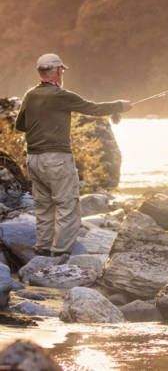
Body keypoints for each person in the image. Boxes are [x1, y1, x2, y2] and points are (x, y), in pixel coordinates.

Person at [14, 53, 132, 259]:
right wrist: (119, 106)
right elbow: (93, 108)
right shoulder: (62, 96)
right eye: (61, 70)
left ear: (40, 72)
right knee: (67, 205)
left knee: (43, 206)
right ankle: (60, 254)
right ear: (58, 71)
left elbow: (20, 125)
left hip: (33, 159)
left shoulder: (30, 95)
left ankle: (42, 249)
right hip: (57, 159)